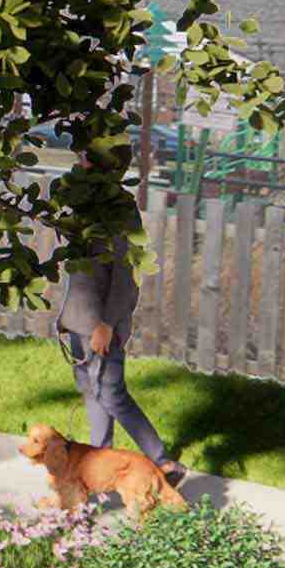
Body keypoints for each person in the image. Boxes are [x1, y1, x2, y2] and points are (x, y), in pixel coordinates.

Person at [55, 145, 188, 490]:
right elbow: (81, 274)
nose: (78, 163)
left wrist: (107, 324)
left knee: (111, 392)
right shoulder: (86, 208)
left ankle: (164, 464)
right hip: (80, 318)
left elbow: (124, 278)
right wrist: (68, 315)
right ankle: (102, 463)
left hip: (101, 322)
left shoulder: (119, 211)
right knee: (91, 390)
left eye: (84, 158)